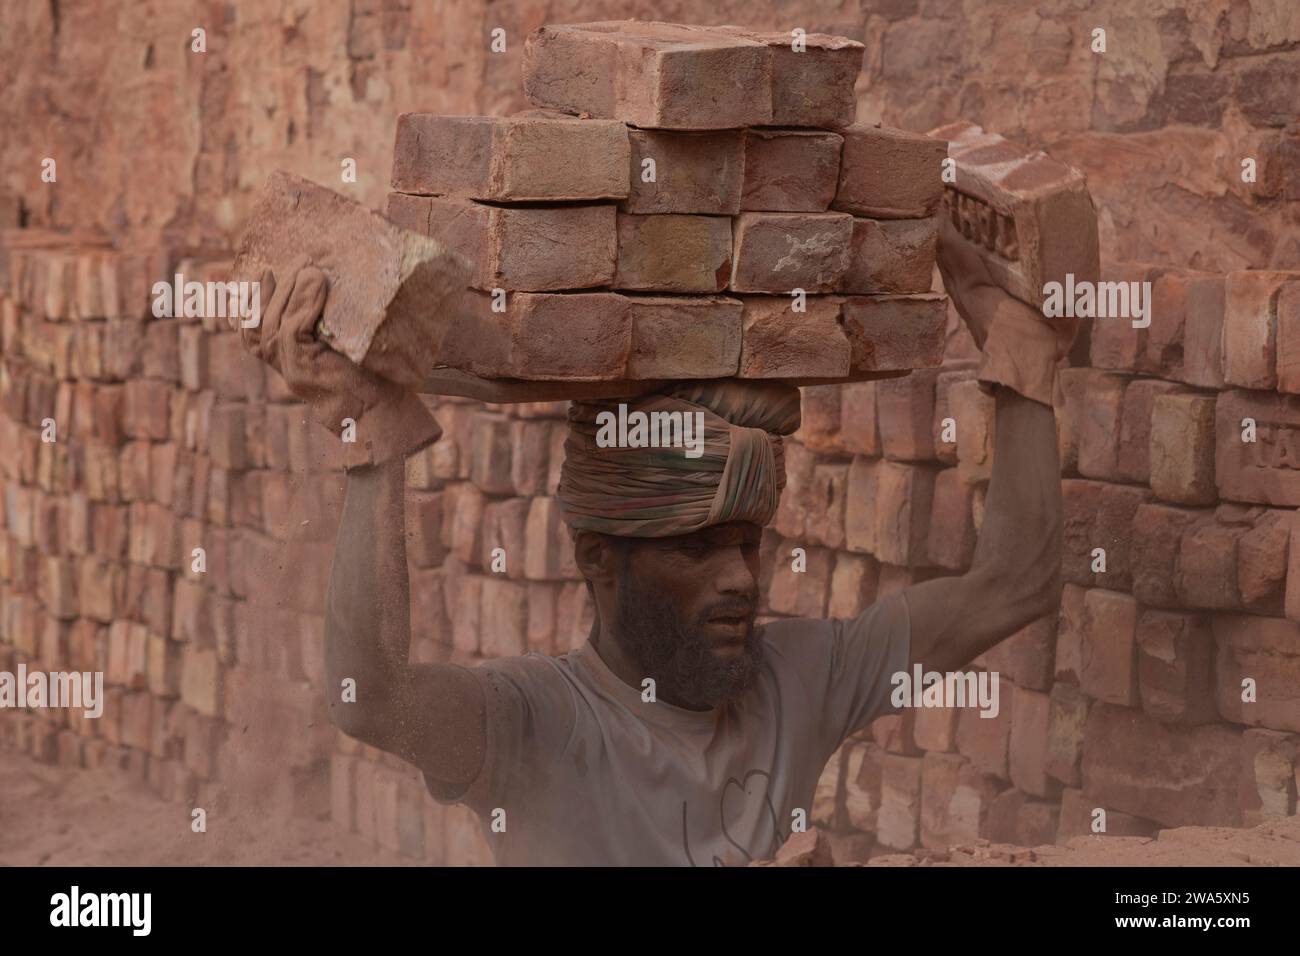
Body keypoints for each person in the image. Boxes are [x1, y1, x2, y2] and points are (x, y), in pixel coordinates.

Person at [238, 218, 1078, 866]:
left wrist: (1021, 357)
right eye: (695, 548)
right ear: (599, 559)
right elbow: (369, 699)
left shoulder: (800, 680)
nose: (738, 580)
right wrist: (369, 430)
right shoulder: (535, 722)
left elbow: (1016, 583)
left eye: (746, 544)